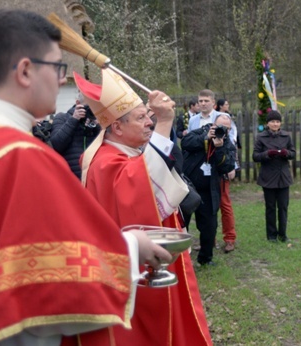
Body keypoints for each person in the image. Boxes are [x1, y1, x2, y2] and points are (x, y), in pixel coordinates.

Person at [0, 9, 171, 346]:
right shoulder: (19, 157)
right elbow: (43, 281)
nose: (63, 80)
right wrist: (132, 247)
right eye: (57, 67)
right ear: (25, 70)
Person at [77, 69, 213, 346]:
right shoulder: (105, 161)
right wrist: (164, 122)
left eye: (149, 116)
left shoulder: (121, 152)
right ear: (117, 127)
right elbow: (141, 191)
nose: (149, 122)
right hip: (135, 272)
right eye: (141, 118)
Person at [182, 114, 236, 265]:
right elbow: (185, 143)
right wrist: (206, 138)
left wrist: (219, 148)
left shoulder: (226, 143)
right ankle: (179, 257)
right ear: (213, 124)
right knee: (181, 224)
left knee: (209, 226)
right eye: (220, 127)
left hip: (209, 190)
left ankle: (206, 258)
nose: (223, 131)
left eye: (227, 129)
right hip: (188, 187)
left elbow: (227, 166)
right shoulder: (200, 132)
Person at [188, 90, 238, 253]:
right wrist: (205, 137)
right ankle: (209, 239)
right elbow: (188, 142)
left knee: (224, 204)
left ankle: (229, 238)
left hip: (219, 170)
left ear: (213, 102)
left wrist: (233, 166)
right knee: (201, 206)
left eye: (206, 101)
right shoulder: (194, 119)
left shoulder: (223, 117)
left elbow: (232, 141)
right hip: (199, 171)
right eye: (200, 101)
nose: (203, 103)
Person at [253, 110, 296, 242]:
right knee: (270, 207)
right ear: (267, 123)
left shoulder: (286, 136)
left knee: (283, 207)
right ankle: (271, 235)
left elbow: (293, 153)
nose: (275, 124)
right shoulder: (261, 137)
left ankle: (283, 234)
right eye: (272, 121)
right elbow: (255, 156)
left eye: (277, 121)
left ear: (280, 123)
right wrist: (267, 154)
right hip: (268, 177)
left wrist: (286, 153)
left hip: (283, 176)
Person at [50, 93, 101, 179]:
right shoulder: (62, 118)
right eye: (89, 107)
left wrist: (99, 126)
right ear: (78, 103)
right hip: (70, 178)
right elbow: (56, 145)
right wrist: (74, 119)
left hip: (93, 179)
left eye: (95, 107)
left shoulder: (98, 122)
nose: (91, 111)